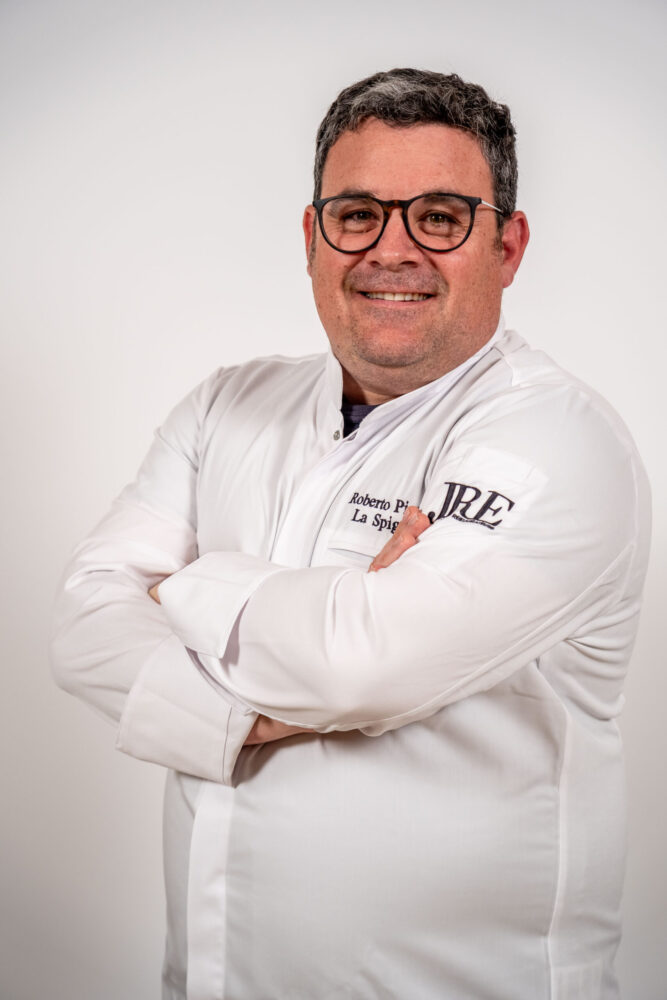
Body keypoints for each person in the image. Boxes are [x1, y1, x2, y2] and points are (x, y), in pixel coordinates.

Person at [51, 68, 650, 1000]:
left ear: (506, 246)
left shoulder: (556, 439)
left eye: (441, 217)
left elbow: (361, 664)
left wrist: (181, 588)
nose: (391, 249)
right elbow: (83, 630)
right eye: (358, 214)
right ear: (312, 236)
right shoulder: (226, 405)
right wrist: (263, 705)